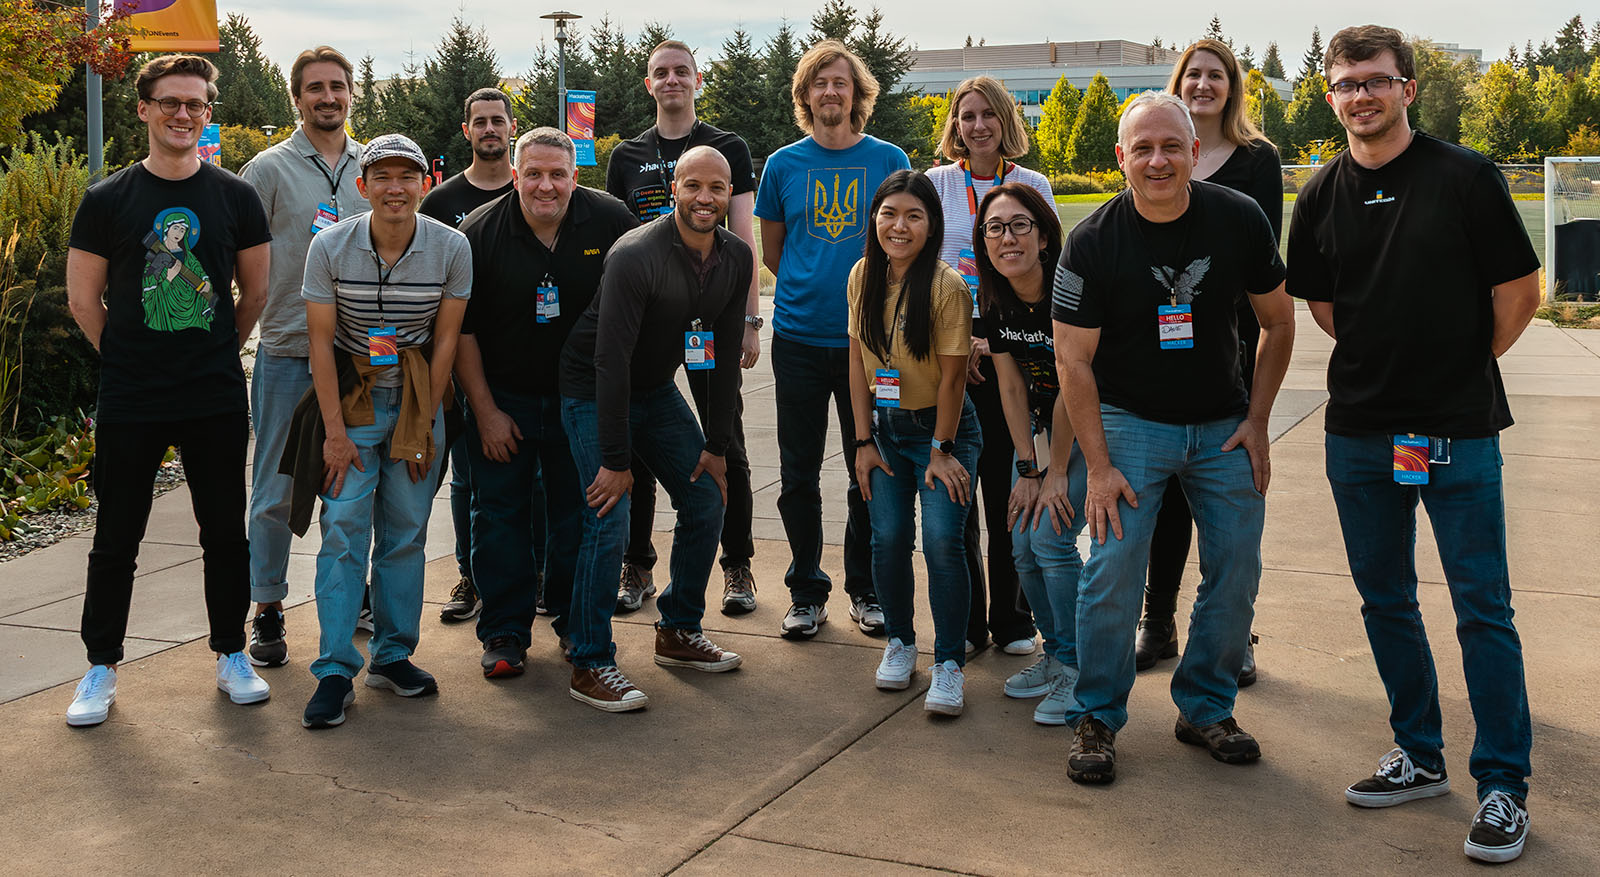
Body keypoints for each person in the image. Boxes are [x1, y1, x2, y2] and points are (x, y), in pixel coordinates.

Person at [1287, 25, 1541, 864]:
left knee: (1482, 608)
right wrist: (1387, 369)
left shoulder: (1464, 177)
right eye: (1346, 83)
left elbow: (1519, 289)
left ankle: (1504, 785)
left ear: (1407, 89)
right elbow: (1326, 308)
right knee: (1386, 600)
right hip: (1360, 434)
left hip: (1458, 432)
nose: (1360, 95)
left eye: (1376, 80)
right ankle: (1420, 754)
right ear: (1331, 97)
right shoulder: (1319, 195)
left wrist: (1458, 368)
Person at [1052, 92, 1295, 784]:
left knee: (1237, 566)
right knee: (1114, 565)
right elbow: (1073, 361)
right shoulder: (1094, 241)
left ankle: (1206, 706)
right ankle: (1097, 715)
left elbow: (1279, 323)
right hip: (1131, 422)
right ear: (1121, 158)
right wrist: (1097, 466)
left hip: (1223, 422)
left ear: (1195, 152)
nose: (1158, 160)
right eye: (1143, 148)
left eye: (1172, 146)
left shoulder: (1238, 218)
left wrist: (1258, 419)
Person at [64, 54, 272, 726]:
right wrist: (127, 359)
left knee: (224, 535)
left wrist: (211, 348)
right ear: (145, 109)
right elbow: (83, 299)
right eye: (171, 102)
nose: (185, 114)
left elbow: (255, 292)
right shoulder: (108, 200)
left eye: (197, 104)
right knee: (117, 534)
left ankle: (230, 652)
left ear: (208, 112)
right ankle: (100, 665)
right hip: (132, 396)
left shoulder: (236, 196)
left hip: (211, 392)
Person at [558, 146, 751, 712]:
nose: (705, 198)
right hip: (592, 388)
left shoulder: (736, 257)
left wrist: (716, 446)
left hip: (653, 388)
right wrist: (616, 461)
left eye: (717, 187)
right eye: (693, 185)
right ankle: (590, 661)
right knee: (608, 514)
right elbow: (608, 361)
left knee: (705, 495)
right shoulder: (636, 254)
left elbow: (713, 353)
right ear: (675, 189)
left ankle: (678, 630)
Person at [294, 134, 471, 729]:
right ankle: (335, 668)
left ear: (424, 183)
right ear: (362, 185)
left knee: (406, 531)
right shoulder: (330, 247)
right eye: (382, 177)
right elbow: (319, 342)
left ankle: (393, 655)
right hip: (353, 395)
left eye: (407, 177)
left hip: (418, 391)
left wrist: (424, 426)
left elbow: (446, 339)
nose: (395, 188)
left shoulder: (451, 247)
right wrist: (335, 432)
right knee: (343, 527)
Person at [456, 128, 637, 678]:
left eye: (558, 174)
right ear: (514, 176)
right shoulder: (478, 233)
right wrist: (485, 412)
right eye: (533, 173)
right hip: (503, 399)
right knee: (499, 519)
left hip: (580, 405)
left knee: (577, 518)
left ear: (575, 176)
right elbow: (462, 334)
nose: (545, 185)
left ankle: (569, 619)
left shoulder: (611, 223)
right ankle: (505, 633)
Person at [1136, 38, 1285, 684]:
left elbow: (1260, 263)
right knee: (1166, 499)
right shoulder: (1159, 151)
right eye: (1192, 74)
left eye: (1215, 75)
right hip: (1159, 354)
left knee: (1227, 502)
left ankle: (1231, 631)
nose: (1202, 84)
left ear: (1232, 87)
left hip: (1230, 350)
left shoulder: (1257, 160)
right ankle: (1159, 620)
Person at [755, 40, 911, 640]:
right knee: (797, 474)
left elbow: (906, 236)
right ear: (805, 96)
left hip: (869, 344)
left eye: (840, 83)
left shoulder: (887, 158)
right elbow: (775, 251)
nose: (829, 92)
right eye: (818, 83)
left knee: (867, 467)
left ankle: (864, 589)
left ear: (857, 94)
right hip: (796, 339)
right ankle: (805, 589)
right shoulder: (782, 166)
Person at [605, 40, 762, 616]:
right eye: (661, 73)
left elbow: (741, 239)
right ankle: (637, 563)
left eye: (682, 72)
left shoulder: (727, 148)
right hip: (648, 320)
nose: (672, 80)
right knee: (641, 444)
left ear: (698, 79)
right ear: (649, 83)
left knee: (725, 438)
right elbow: (623, 238)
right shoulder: (627, 154)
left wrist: (747, 320)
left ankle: (737, 563)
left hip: (709, 316)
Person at [239, 46, 367, 666]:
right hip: (289, 351)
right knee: (274, 489)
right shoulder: (267, 170)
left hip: (361, 358)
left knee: (352, 487)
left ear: (351, 94)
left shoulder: (374, 169)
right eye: (314, 88)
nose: (327, 97)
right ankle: (266, 607)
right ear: (296, 98)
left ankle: (353, 596)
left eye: (337, 87)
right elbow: (235, 259)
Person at [926, 76, 1056, 656]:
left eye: (988, 115)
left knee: (1010, 490)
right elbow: (919, 268)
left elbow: (1050, 269)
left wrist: (994, 340)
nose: (977, 126)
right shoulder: (935, 184)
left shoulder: (1032, 185)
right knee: (958, 497)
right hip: (951, 352)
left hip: (1013, 348)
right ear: (954, 124)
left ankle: (1012, 620)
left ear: (1007, 120)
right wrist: (959, 342)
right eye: (966, 116)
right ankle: (970, 626)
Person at [847, 170, 981, 715]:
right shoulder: (862, 275)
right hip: (886, 431)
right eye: (888, 214)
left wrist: (942, 451)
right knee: (888, 538)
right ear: (874, 218)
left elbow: (952, 380)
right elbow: (856, 362)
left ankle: (949, 662)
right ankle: (900, 642)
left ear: (931, 226)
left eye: (913, 216)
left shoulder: (947, 286)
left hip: (942, 432)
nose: (898, 226)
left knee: (945, 543)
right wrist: (861, 441)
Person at [970, 183, 1086, 726]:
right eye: (995, 227)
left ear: (1044, 236)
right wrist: (1027, 468)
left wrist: (1055, 472)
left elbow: (1070, 382)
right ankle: (1058, 651)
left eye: (1019, 225)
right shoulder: (995, 300)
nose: (1006, 237)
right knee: (1019, 539)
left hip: (1094, 426)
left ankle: (1079, 666)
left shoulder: (1069, 292)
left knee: (1051, 536)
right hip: (1041, 433)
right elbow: (1011, 387)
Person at [418, 86, 525, 626]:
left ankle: (533, 576)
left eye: (497, 121)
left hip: (521, 364)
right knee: (465, 480)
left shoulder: (533, 187)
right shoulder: (440, 202)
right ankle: (469, 576)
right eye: (479, 121)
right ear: (467, 131)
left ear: (511, 127)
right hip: (456, 361)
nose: (489, 129)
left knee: (530, 483)